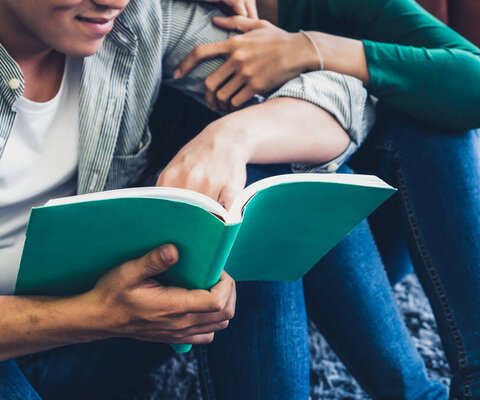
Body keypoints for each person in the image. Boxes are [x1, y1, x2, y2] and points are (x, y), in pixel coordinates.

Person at [0, 0, 378, 398]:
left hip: (109, 338)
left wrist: (230, 138)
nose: (112, 1)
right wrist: (95, 313)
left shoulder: (139, 17)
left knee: (244, 201)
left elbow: (345, 96)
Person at [161, 0, 480, 397]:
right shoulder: (158, 18)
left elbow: (474, 80)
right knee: (264, 169)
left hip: (365, 243)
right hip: (229, 261)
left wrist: (310, 49)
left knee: (435, 121)